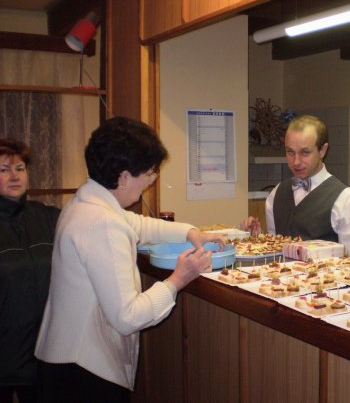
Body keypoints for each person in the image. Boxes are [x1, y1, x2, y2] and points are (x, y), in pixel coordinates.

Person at [35, 117, 223, 403]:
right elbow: (128, 317)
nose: (150, 181)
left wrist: (190, 232)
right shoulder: (102, 222)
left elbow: (139, 226)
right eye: (148, 174)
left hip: (65, 361)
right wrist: (177, 279)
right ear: (123, 178)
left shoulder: (85, 204)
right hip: (83, 371)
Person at [242, 114, 350, 260]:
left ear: (322, 150)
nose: (296, 161)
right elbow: (274, 255)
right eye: (290, 152)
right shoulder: (276, 194)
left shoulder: (349, 201)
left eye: (305, 152)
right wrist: (257, 240)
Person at [0, 139, 61, 403]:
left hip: (43, 351)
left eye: (20, 168)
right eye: (4, 170)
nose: (14, 176)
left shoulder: (47, 217)